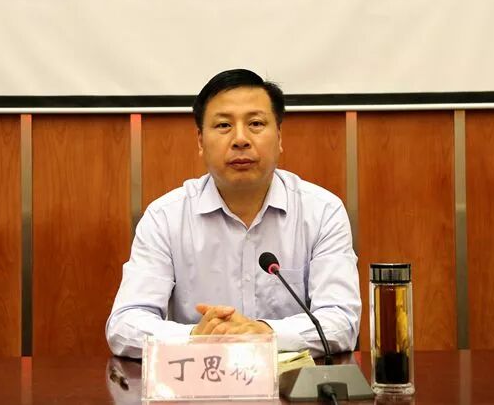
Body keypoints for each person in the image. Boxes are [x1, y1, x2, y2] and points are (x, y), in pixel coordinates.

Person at [106, 69, 361, 358]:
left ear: (279, 137)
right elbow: (124, 324)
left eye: (255, 123)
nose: (240, 139)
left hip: (293, 383)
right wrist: (195, 337)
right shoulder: (165, 217)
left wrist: (263, 333)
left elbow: (342, 321)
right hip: (200, 380)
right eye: (224, 125)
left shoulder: (322, 212)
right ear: (200, 141)